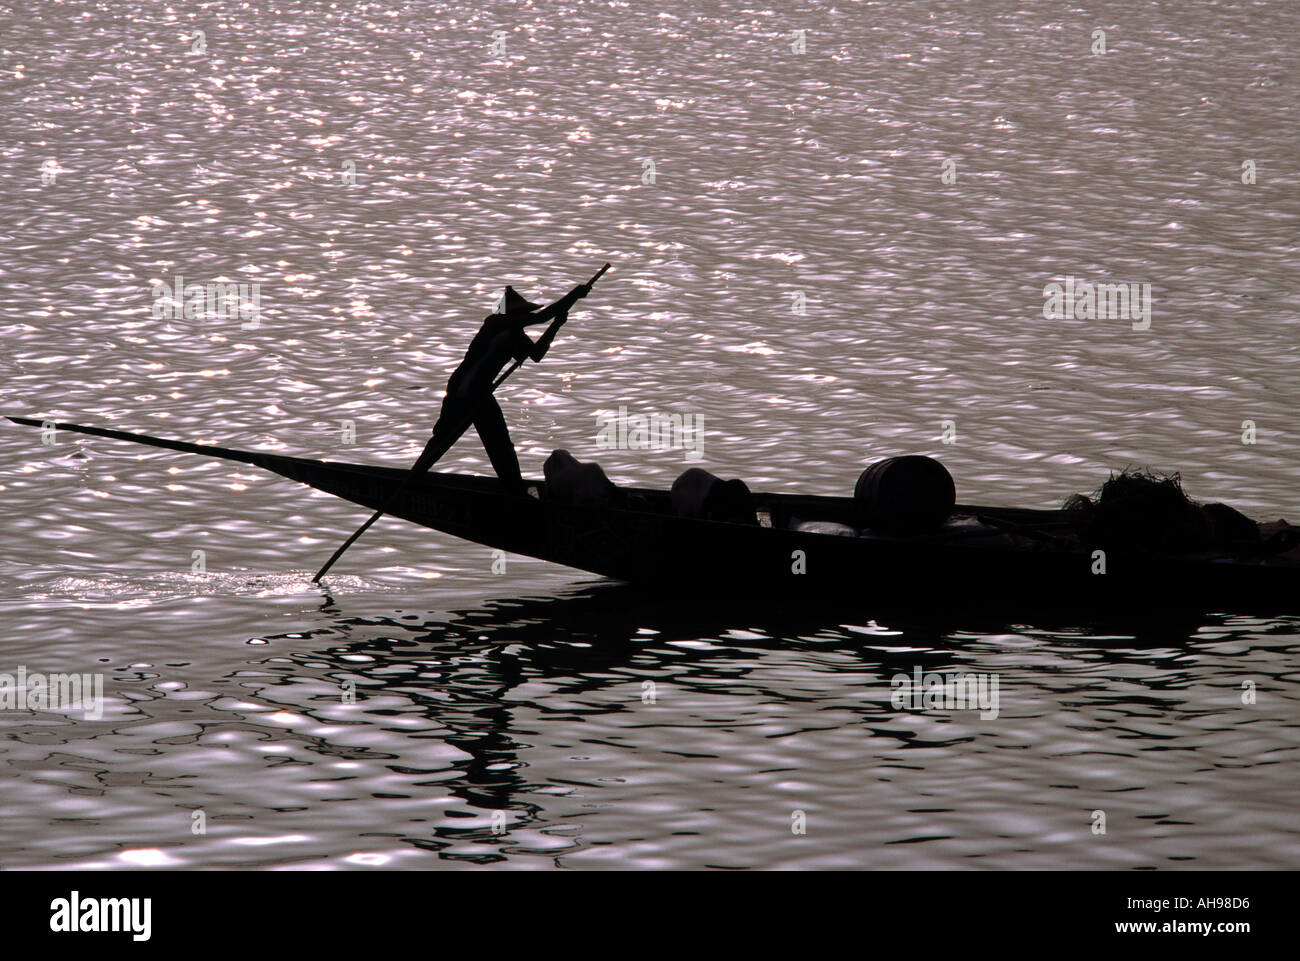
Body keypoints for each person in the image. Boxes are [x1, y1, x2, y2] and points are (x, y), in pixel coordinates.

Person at [406, 280, 592, 492]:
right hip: (464, 390)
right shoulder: (494, 323)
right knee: (444, 438)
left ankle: (514, 490)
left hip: (481, 392)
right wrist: (574, 295)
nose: (523, 318)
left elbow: (537, 354)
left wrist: (556, 325)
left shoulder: (514, 335)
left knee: (501, 446)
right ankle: (411, 480)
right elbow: (543, 316)